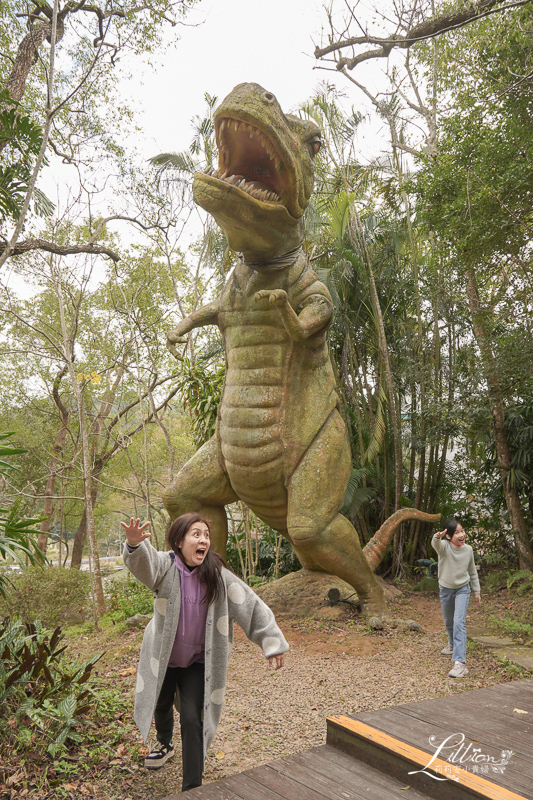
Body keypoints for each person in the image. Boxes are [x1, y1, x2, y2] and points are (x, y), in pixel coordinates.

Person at [120, 513, 288, 792]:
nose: (203, 540)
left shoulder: (218, 576)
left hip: (197, 662)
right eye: (196, 534)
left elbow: (250, 605)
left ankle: (193, 788)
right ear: (179, 541)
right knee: (160, 704)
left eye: (206, 535)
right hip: (163, 657)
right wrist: (136, 546)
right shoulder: (165, 566)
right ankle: (165, 742)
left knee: (191, 717)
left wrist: (272, 642)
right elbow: (145, 566)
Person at [431, 519, 481, 679]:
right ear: (449, 536)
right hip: (445, 589)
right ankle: (452, 644)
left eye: (462, 531)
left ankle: (460, 663)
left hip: (462, 589)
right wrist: (437, 537)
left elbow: (472, 572)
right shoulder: (444, 547)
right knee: (449, 621)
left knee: (459, 622)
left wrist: (477, 591)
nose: (462, 535)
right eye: (457, 532)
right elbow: (436, 544)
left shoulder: (468, 550)